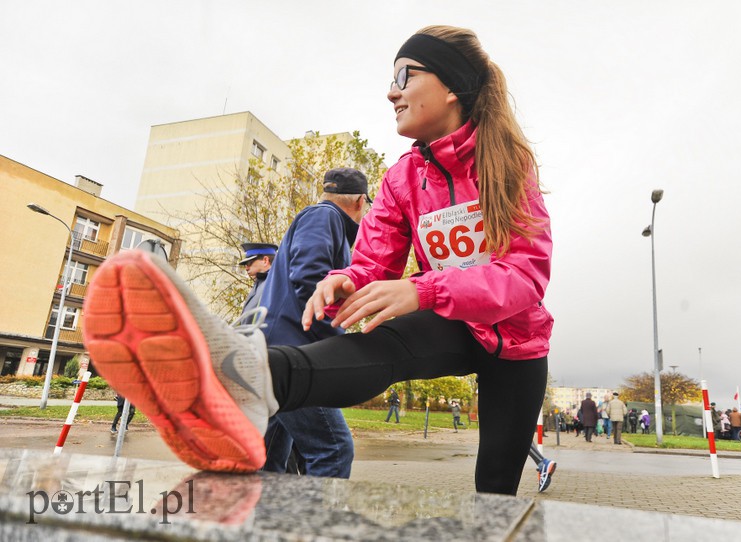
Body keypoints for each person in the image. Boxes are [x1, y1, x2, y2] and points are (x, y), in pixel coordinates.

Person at [82, 25, 553, 497]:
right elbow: (373, 264)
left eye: (404, 76)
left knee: (495, 490)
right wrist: (347, 280)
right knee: (379, 344)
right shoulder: (401, 178)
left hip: (516, 342)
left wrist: (421, 289)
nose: (391, 92)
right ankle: (238, 379)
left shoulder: (507, 163)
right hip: (450, 320)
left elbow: (525, 277)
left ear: (451, 86)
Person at [259, 168, 369, 479]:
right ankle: (317, 514)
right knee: (333, 449)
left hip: (278, 350)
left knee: (269, 456)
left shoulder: (323, 218)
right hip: (295, 353)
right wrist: (337, 335)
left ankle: (260, 510)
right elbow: (312, 278)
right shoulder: (325, 216)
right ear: (361, 201)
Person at [238, 242, 278, 313]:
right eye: (245, 265)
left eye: (249, 263)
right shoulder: (260, 283)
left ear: (265, 260)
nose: (246, 268)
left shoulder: (276, 283)